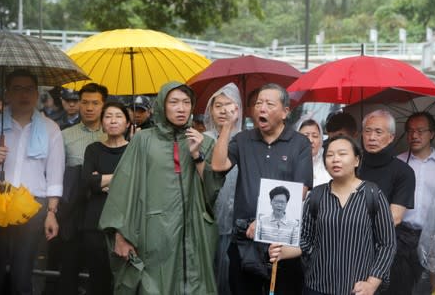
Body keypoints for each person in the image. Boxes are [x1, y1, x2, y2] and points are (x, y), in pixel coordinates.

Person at [99, 81, 225, 294]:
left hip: (193, 235)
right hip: (152, 235)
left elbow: (212, 193)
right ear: (162, 106)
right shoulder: (143, 140)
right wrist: (120, 235)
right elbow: (123, 188)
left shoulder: (203, 142)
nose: (181, 108)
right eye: (174, 102)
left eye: (186, 102)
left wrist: (197, 155)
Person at [212, 83, 313, 295]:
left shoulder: (300, 143)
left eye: (269, 104)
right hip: (244, 238)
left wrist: (264, 220)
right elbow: (218, 165)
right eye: (258, 103)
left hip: (280, 240)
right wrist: (227, 128)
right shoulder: (243, 139)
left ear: (285, 112)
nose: (261, 108)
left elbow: (301, 190)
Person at [269, 135, 397, 295]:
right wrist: (284, 251)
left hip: (358, 289)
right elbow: (306, 240)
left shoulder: (373, 194)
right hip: (317, 287)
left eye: (342, 154)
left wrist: (371, 283)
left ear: (357, 160)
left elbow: (387, 244)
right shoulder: (316, 195)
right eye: (329, 155)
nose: (335, 159)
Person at [0, 69, 65, 294]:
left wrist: (52, 212)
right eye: (17, 88)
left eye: (29, 89)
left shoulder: (50, 128)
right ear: (7, 93)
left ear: (37, 94)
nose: (23, 95)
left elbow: (55, 174)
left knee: (23, 269)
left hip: (33, 206)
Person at [53, 82, 107, 295]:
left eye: (95, 103)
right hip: (72, 211)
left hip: (101, 210)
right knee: (69, 266)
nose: (89, 107)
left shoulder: (113, 133)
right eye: (85, 102)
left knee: (100, 270)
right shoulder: (64, 136)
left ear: (103, 105)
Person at [359, 109, 416, 295]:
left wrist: (352, 224)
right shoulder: (352, 164)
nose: (372, 137)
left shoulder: (404, 172)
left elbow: (395, 217)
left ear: (391, 137)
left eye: (378, 132)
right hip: (347, 248)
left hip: (385, 251)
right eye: (367, 131)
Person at [82, 102, 130, 294]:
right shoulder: (93, 149)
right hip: (95, 221)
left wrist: (103, 179)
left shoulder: (134, 150)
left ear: (127, 123)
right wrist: (120, 179)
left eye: (118, 116)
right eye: (108, 116)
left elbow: (136, 184)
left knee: (124, 280)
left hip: (125, 222)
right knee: (97, 279)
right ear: (102, 122)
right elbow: (88, 181)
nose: (113, 121)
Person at [397, 112, 435, 293]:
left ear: (432, 133)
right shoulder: (398, 163)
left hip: (432, 239)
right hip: (400, 235)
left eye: (420, 130)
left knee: (426, 287)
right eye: (410, 131)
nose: (414, 135)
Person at [203, 82, 242, 295]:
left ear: (237, 109)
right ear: (210, 109)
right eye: (218, 105)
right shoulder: (203, 140)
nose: (223, 110)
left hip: (237, 219)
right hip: (207, 217)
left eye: (228, 105)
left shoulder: (245, 140)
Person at [297, 118, 331, 187]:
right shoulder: (288, 161)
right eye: (305, 136)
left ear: (321, 139)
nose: (310, 140)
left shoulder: (329, 160)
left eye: (315, 136)